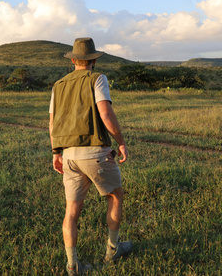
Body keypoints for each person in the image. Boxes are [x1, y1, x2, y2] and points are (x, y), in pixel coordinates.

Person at [49, 37, 133, 275]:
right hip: (95, 151)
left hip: (68, 156)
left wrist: (56, 153)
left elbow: (52, 122)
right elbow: (105, 112)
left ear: (73, 59)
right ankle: (113, 250)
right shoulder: (98, 78)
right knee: (115, 196)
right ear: (94, 59)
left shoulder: (59, 84)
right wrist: (121, 143)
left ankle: (72, 265)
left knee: (71, 212)